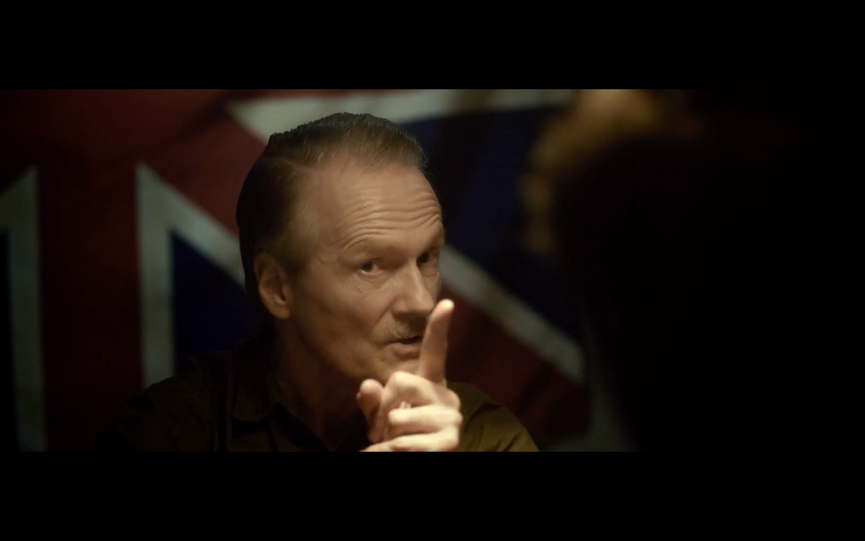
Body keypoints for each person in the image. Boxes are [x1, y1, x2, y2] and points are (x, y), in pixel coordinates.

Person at [96, 112, 537, 452]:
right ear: (278, 288)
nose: (422, 302)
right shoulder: (172, 432)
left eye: (425, 258)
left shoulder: (482, 437)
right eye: (371, 266)